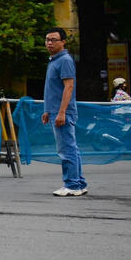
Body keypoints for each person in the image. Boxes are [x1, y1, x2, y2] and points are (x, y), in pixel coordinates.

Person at [42, 27, 87, 196]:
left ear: (63, 42)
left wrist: (62, 112)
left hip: (63, 112)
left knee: (66, 149)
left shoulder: (64, 60)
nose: (49, 43)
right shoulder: (54, 60)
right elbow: (53, 89)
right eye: (47, 39)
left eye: (54, 40)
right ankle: (79, 183)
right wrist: (47, 110)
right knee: (71, 148)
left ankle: (72, 185)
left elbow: (69, 87)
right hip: (55, 111)